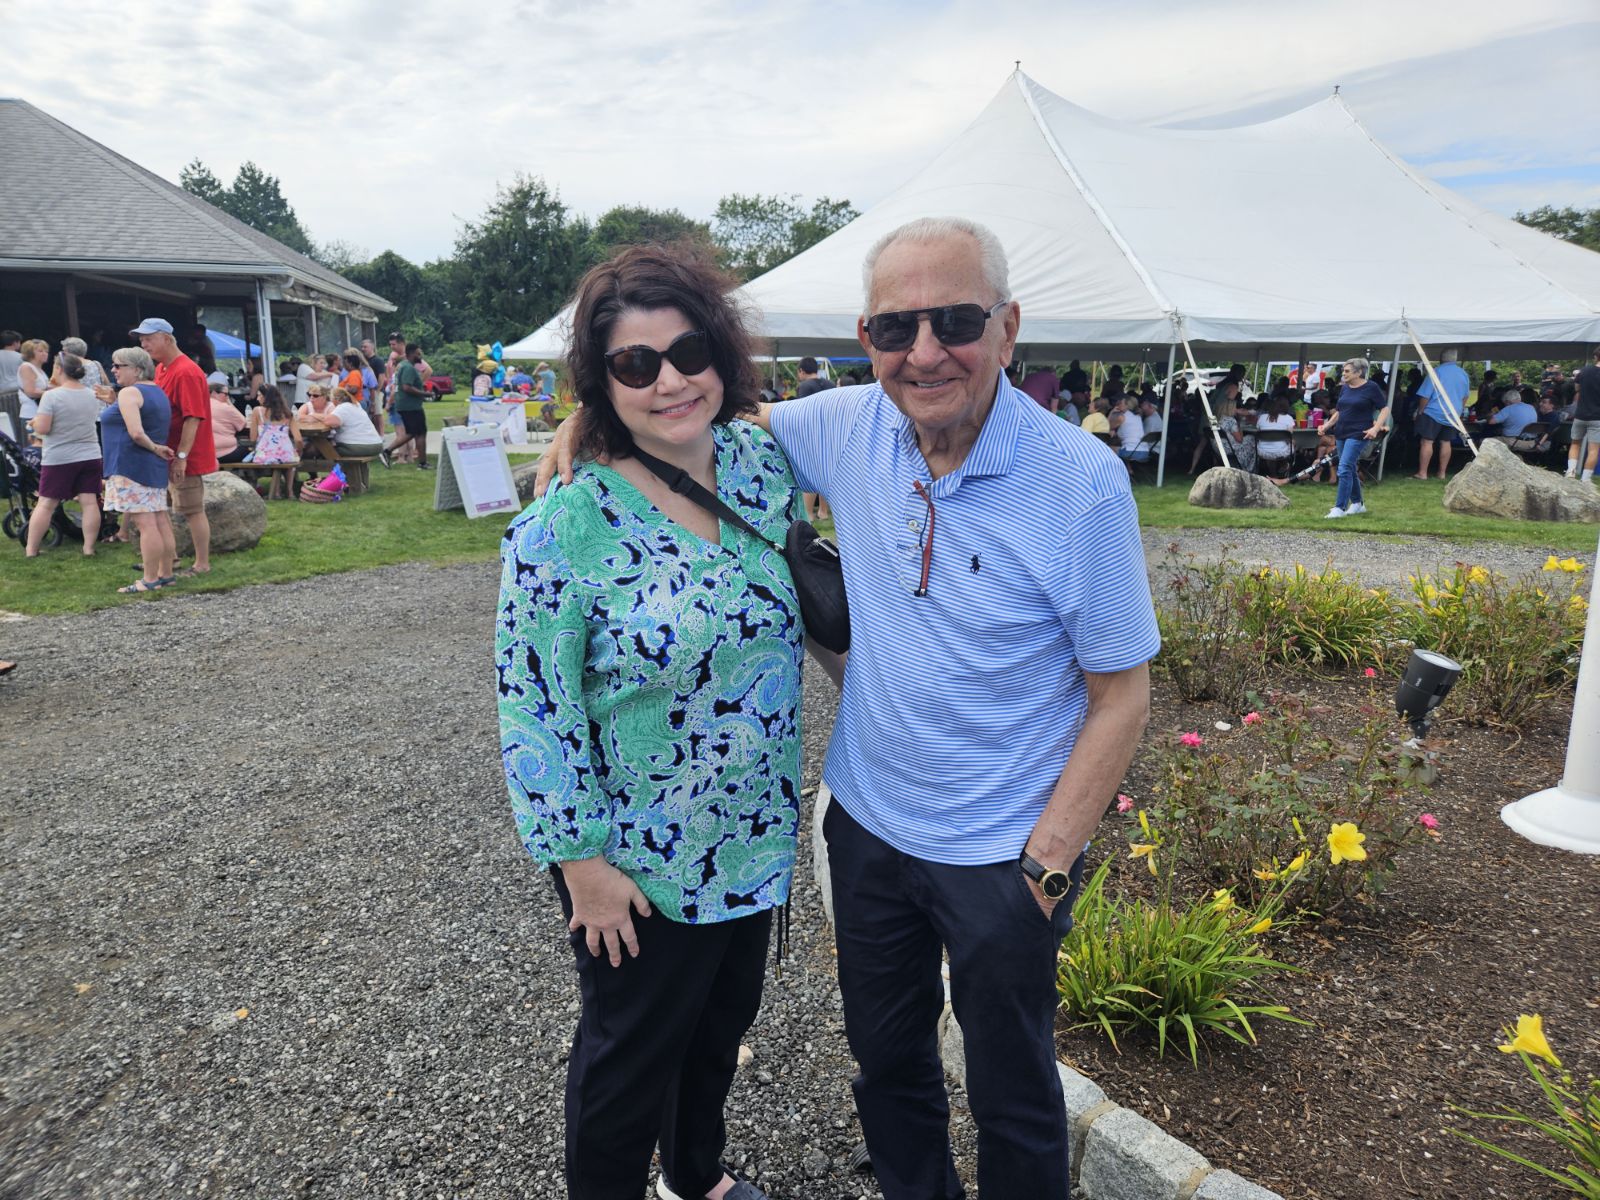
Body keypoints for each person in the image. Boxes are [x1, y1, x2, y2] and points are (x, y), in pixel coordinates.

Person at [532, 216, 1160, 1200]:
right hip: (866, 831)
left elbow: (1122, 693)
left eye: (956, 321)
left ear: (1007, 327)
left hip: (1002, 851)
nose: (924, 352)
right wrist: (591, 421)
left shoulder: (1079, 482)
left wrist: (1044, 868)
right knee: (890, 1066)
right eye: (895, 327)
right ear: (866, 337)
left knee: (1013, 1093)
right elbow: (692, 413)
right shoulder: (844, 426)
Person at [498, 244, 815, 1200]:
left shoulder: (759, 463)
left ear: (720, 352)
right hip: (640, 857)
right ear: (600, 383)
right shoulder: (560, 528)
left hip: (752, 832)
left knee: (718, 1026)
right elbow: (534, 707)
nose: (670, 381)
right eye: (635, 365)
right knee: (628, 1058)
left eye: (688, 353)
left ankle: (694, 1176)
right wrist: (581, 867)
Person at [133, 317, 218, 575]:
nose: (143, 344)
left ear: (167, 339)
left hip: (185, 454)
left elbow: (193, 418)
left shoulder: (186, 371)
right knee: (162, 509)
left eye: (149, 338)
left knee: (192, 510)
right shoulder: (162, 368)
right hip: (164, 452)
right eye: (141, 339)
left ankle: (202, 564)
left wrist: (182, 456)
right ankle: (169, 559)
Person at [100, 347, 176, 592]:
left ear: (136, 369)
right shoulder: (157, 391)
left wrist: (155, 448)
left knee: (146, 524)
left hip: (132, 465)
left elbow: (136, 432)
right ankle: (166, 574)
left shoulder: (130, 392)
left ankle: (149, 580)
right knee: (160, 519)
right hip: (151, 466)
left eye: (118, 365)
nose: (113, 370)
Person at [26, 352, 103, 557]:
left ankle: (31, 549)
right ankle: (88, 548)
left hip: (60, 457)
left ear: (59, 369)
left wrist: (34, 422)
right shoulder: (91, 394)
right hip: (90, 454)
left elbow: (43, 428)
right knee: (89, 502)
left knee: (46, 503)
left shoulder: (51, 396)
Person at [1320, 357, 1390, 518]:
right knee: (1350, 468)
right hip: (1341, 432)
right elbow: (1339, 411)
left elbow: (1384, 409)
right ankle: (1358, 504)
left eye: (1347, 371)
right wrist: (1326, 426)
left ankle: (1340, 508)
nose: (1343, 374)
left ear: (1359, 373)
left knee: (1344, 467)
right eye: (1343, 371)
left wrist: (1375, 428)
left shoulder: (1371, 387)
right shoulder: (1345, 388)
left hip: (1359, 433)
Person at [1413, 349, 1470, 480]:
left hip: (1433, 411)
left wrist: (1420, 410)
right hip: (1452, 413)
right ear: (1455, 359)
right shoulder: (1463, 374)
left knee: (1427, 441)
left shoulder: (1436, 372)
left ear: (1441, 358)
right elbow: (1466, 396)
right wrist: (1459, 410)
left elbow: (1425, 395)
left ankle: (1422, 473)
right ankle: (1442, 473)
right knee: (1446, 442)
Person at [247, 384, 302, 498]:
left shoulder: (257, 411)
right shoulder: (288, 413)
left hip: (265, 454)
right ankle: (290, 491)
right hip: (285, 454)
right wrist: (298, 450)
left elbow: (252, 438)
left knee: (274, 457)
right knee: (292, 457)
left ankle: (276, 492)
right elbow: (298, 439)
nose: (257, 398)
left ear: (266, 397)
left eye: (259, 395)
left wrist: (253, 446)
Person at [381, 343, 430, 468]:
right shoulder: (408, 368)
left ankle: (388, 452)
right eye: (418, 353)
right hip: (411, 406)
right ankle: (422, 463)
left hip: (404, 404)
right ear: (411, 354)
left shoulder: (402, 365)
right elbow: (407, 387)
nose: (420, 356)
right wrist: (424, 393)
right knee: (420, 433)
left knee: (413, 432)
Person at [1565, 346, 1600, 482]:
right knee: (1593, 450)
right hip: (1597, 417)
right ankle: (1585, 479)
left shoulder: (1584, 371)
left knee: (1575, 444)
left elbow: (1577, 388)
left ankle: (1571, 472)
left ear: (1595, 357)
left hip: (1580, 415)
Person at [323, 386, 383, 458]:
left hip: (360, 446)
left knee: (324, 451)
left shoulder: (343, 407)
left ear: (336, 399)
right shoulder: (356, 405)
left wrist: (314, 415)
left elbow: (330, 422)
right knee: (328, 450)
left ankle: (337, 466)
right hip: (376, 444)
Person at [1254, 395, 1296, 479]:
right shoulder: (1288, 418)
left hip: (1263, 451)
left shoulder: (1262, 417)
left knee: (1271, 447)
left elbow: (1258, 431)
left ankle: (1273, 475)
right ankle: (1284, 464)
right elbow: (1288, 439)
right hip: (1281, 452)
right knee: (1293, 442)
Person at [210, 379, 250, 464]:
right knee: (249, 450)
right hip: (225, 452)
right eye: (225, 394)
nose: (227, 397)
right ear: (214, 393)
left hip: (205, 453)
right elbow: (243, 423)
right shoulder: (225, 407)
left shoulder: (200, 405)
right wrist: (230, 404)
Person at [17, 339, 50, 422]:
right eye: (40, 351)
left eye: (46, 351)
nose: (45, 354)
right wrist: (53, 393)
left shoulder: (39, 369)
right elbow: (30, 391)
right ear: (30, 353)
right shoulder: (26, 367)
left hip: (42, 412)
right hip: (31, 414)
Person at [1111, 396, 1147, 460]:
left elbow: (1107, 427)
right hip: (1145, 451)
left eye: (1121, 403)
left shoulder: (1122, 417)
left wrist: (1112, 412)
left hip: (1130, 451)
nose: (1119, 404)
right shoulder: (1138, 416)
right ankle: (1128, 467)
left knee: (1107, 448)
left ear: (1127, 406)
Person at [0, 330, 22, 436]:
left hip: (2, 394)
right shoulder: (20, 357)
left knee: (5, 423)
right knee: (19, 422)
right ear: (15, 343)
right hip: (18, 393)